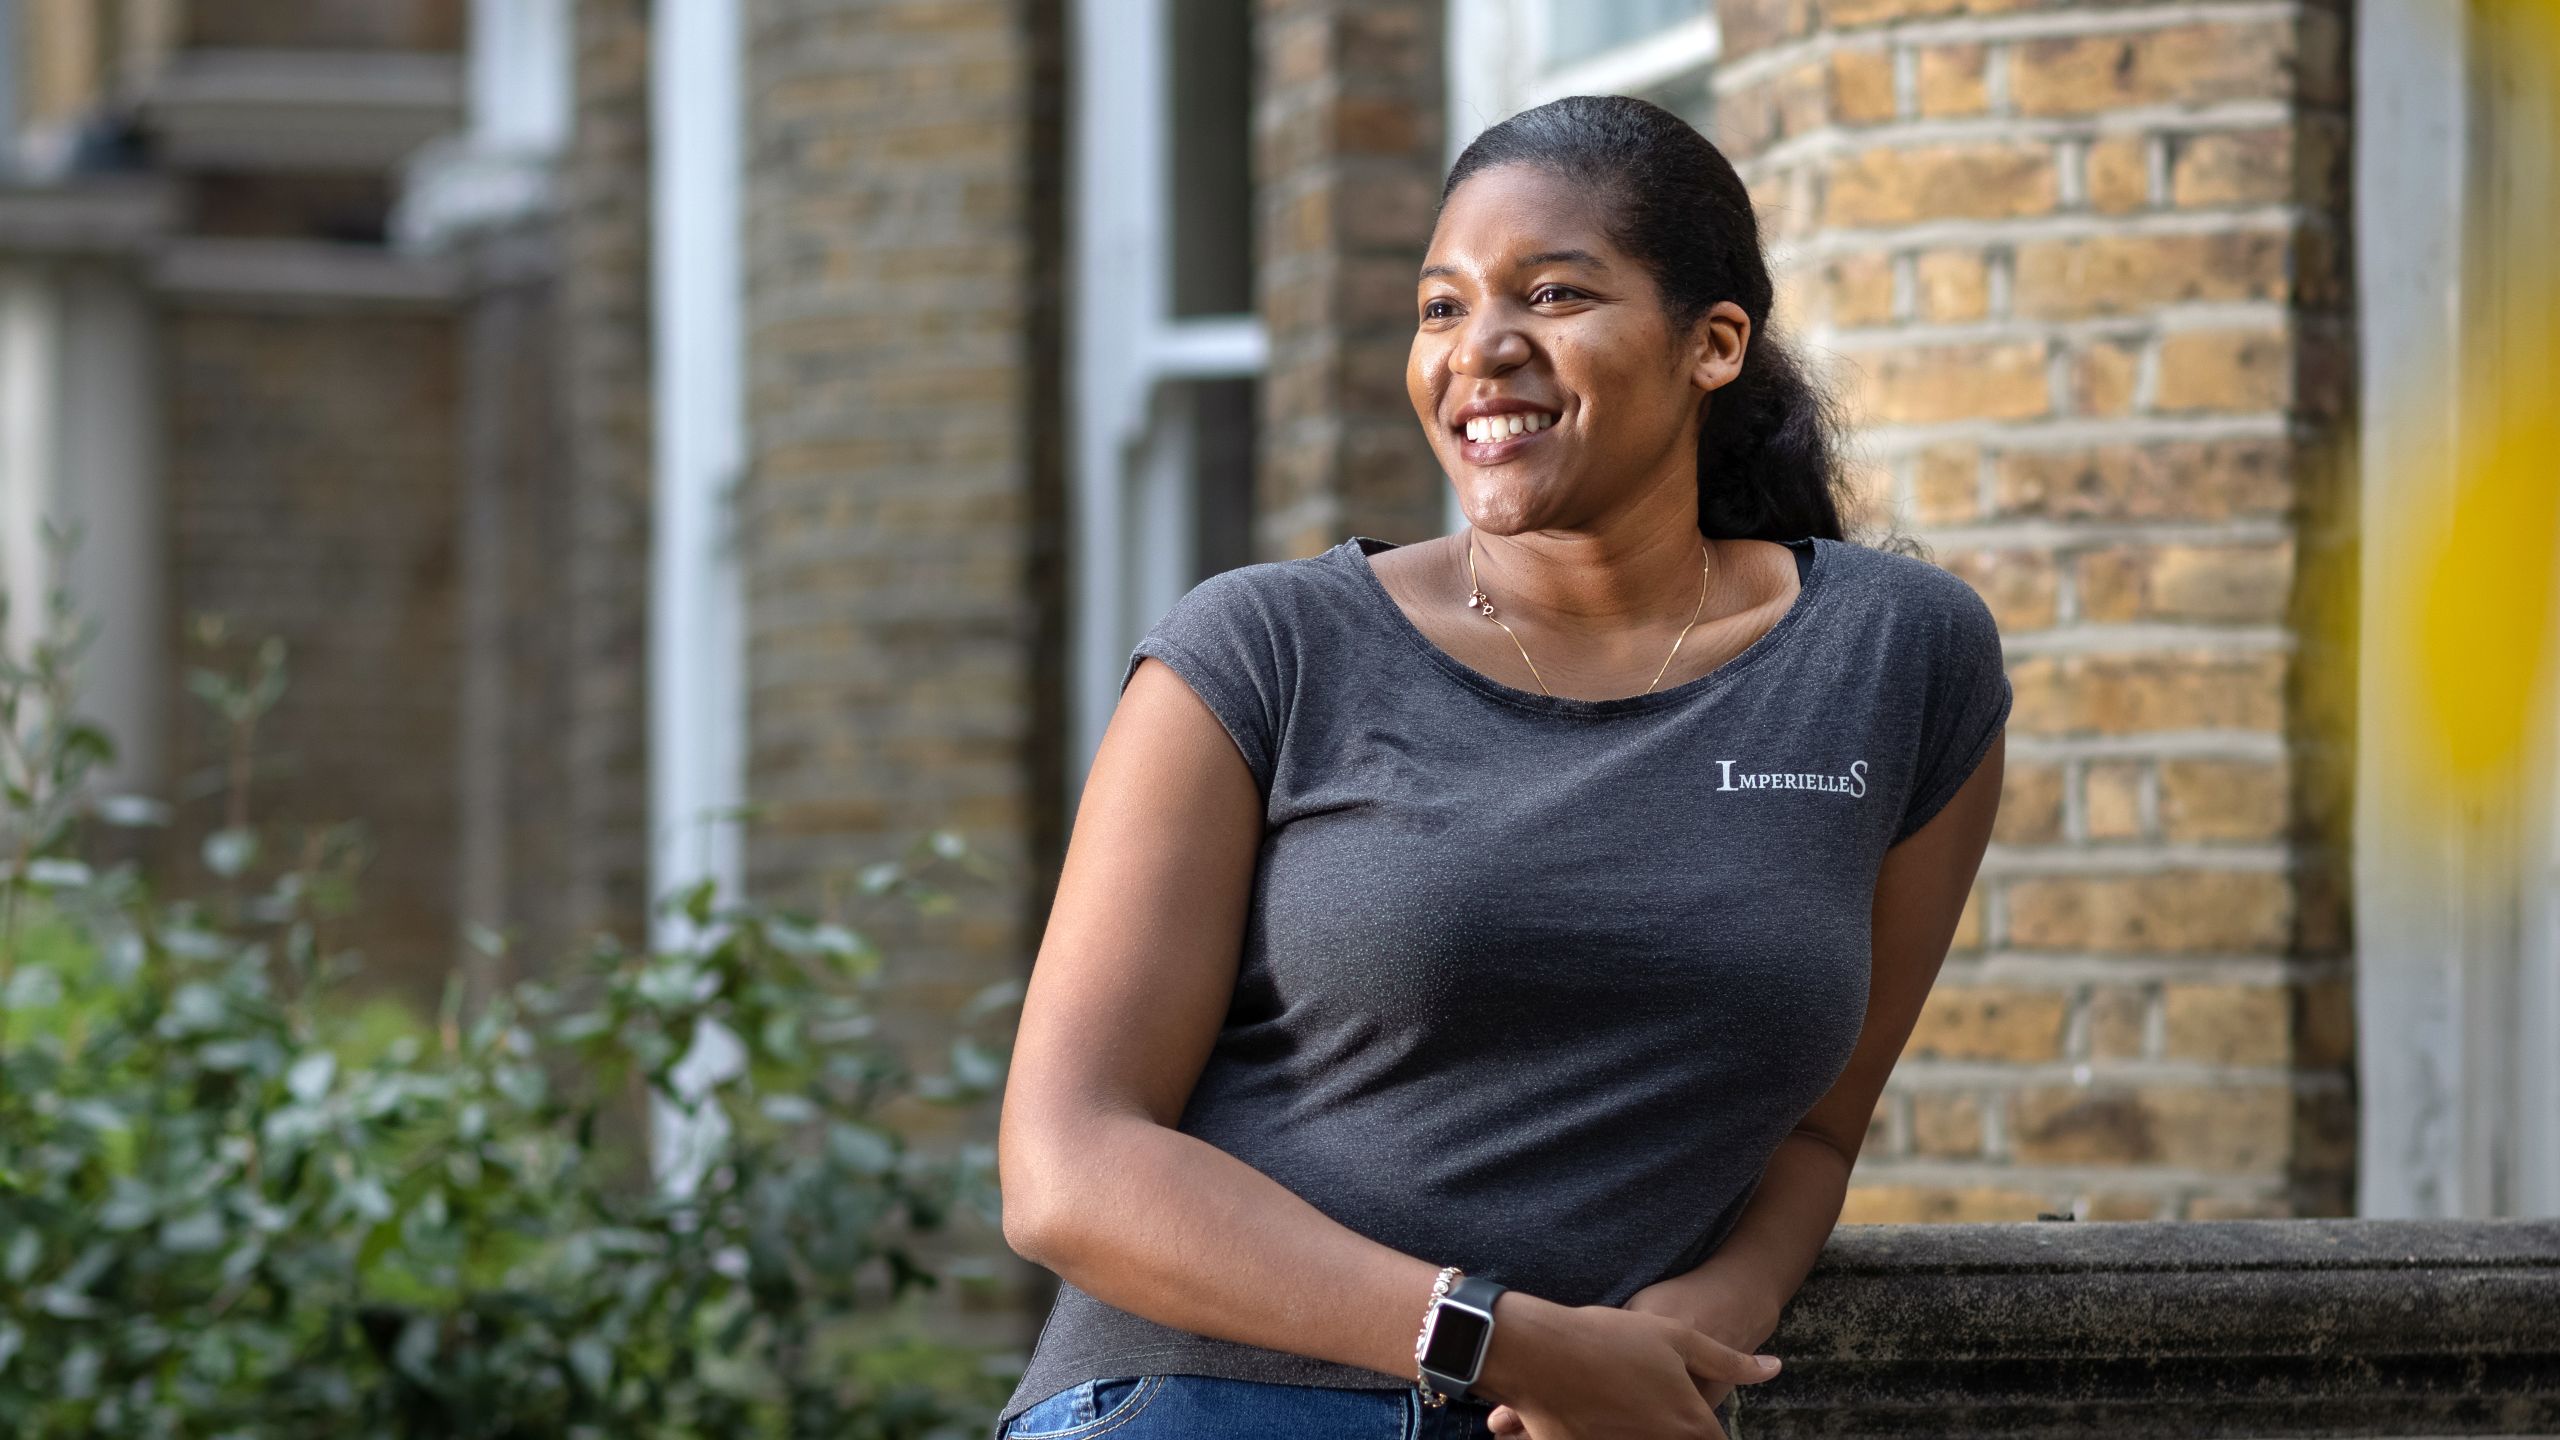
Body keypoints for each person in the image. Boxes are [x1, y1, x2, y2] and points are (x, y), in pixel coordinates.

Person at [991, 93, 2010, 1440]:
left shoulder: (1896, 658)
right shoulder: (1262, 648)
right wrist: (1494, 1338)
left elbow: (1818, 1134)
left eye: (1554, 294)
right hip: (1211, 1398)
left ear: (1712, 346)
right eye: (1442, 308)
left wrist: (1711, 1316)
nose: (1484, 351)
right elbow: (1065, 1167)